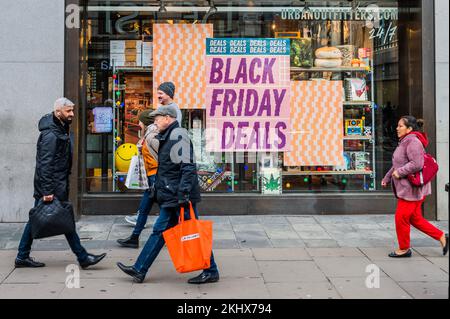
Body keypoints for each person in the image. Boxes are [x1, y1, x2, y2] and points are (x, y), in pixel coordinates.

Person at [117, 104, 220, 284]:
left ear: (167, 118)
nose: (155, 121)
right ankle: (139, 269)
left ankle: (211, 270)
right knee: (159, 231)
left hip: (179, 196)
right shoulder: (169, 135)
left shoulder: (178, 135)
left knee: (192, 231)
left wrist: (183, 195)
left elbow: (187, 168)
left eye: (157, 118)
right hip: (172, 194)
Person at [15, 98, 107, 268]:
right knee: (61, 220)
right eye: (68, 111)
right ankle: (82, 257)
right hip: (52, 187)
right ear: (58, 112)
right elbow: (45, 164)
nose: (72, 114)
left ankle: (22, 256)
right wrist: (47, 191)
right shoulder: (51, 134)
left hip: (56, 184)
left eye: (72, 110)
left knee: (41, 219)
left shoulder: (60, 127)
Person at [382, 116, 448, 257]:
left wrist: (399, 173)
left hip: (411, 189)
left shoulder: (413, 142)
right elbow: (398, 163)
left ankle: (404, 249)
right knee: (415, 218)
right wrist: (387, 177)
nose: (397, 128)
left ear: (409, 129)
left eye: (400, 126)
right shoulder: (405, 141)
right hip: (409, 188)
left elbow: (416, 164)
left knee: (401, 218)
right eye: (397, 126)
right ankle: (442, 236)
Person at [124, 81, 182, 227]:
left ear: (168, 93)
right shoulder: (163, 108)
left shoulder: (172, 110)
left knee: (159, 198)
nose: (158, 96)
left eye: (161, 93)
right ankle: (139, 227)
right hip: (156, 167)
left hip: (160, 166)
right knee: (150, 195)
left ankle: (163, 225)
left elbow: (172, 134)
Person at [117, 110, 159, 248]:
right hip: (151, 178)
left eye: (140, 121)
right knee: (143, 209)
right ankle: (134, 238)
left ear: (145, 122)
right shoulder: (148, 134)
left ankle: (173, 239)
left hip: (156, 178)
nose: (138, 124)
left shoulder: (152, 135)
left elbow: (163, 156)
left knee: (168, 213)